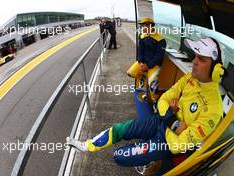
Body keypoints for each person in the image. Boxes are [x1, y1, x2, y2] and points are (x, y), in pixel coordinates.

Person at [67, 37, 225, 175]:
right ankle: (87, 145)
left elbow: (180, 144)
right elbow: (162, 100)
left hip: (167, 144)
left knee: (119, 156)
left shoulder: (214, 109)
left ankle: (150, 160)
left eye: (202, 59)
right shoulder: (190, 78)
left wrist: (168, 116)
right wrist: (173, 120)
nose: (194, 62)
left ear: (215, 70)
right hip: (163, 121)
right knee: (120, 129)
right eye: (195, 56)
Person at [127, 18, 166, 113]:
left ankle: (154, 101)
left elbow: (159, 57)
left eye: (143, 26)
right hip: (143, 63)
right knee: (130, 73)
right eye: (142, 26)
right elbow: (140, 51)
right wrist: (140, 63)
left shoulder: (161, 40)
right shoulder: (142, 36)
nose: (142, 27)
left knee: (153, 85)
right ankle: (144, 87)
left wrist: (148, 66)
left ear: (149, 26)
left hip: (154, 65)